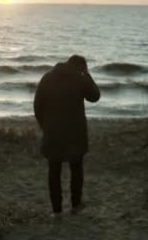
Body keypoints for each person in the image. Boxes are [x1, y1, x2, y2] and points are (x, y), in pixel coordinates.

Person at [33, 55, 100, 216]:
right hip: (75, 134)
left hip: (52, 133)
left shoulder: (47, 77)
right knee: (76, 169)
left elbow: (37, 105)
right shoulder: (80, 78)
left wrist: (44, 126)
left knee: (54, 171)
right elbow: (95, 96)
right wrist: (87, 74)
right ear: (81, 67)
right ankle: (75, 206)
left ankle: (57, 210)